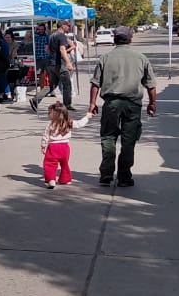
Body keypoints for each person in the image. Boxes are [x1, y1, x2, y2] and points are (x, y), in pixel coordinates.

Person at [87, 25, 157, 187]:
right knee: (129, 140)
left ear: (114, 39)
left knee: (108, 136)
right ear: (130, 39)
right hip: (132, 105)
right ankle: (124, 176)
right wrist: (152, 103)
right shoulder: (141, 58)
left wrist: (92, 103)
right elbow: (151, 85)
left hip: (111, 104)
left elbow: (95, 83)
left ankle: (106, 173)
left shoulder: (105, 58)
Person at [40, 102, 90, 189]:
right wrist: (87, 117)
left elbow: (45, 136)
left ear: (54, 115)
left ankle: (51, 179)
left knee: (50, 163)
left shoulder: (50, 124)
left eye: (49, 112)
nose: (48, 114)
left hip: (53, 147)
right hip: (65, 147)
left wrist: (43, 146)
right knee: (64, 164)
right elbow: (80, 123)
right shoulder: (69, 122)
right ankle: (65, 179)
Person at [31, 21, 75, 112]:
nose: (69, 27)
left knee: (52, 85)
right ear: (63, 26)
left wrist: (53, 55)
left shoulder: (52, 36)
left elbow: (47, 49)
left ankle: (36, 99)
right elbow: (62, 49)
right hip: (59, 64)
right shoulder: (61, 36)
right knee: (67, 84)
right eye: (68, 26)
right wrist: (68, 62)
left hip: (50, 64)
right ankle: (67, 105)